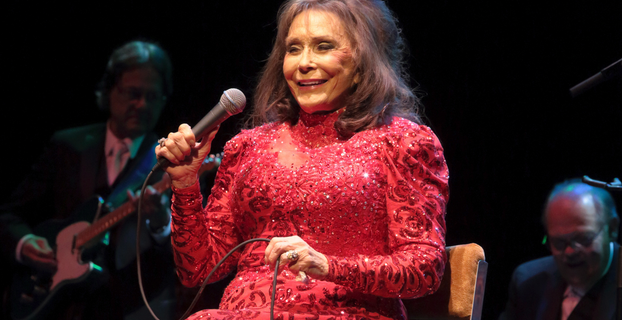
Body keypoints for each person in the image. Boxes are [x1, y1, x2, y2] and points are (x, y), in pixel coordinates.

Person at [155, 1, 449, 319]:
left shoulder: (403, 143)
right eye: (294, 49)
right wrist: (185, 185)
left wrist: (327, 265)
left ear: (365, 60)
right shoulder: (248, 147)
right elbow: (198, 271)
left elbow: (424, 269)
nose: (303, 63)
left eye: (323, 47)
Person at [0, 40, 176, 320]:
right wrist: (24, 244)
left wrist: (161, 223)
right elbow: (8, 215)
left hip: (130, 309)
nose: (142, 104)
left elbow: (190, 257)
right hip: (59, 307)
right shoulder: (67, 146)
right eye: (133, 93)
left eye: (153, 97)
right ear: (109, 90)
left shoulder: (174, 162)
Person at [499, 179, 622, 320]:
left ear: (612, 229)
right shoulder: (527, 282)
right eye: (558, 242)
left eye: (582, 238)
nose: (569, 252)